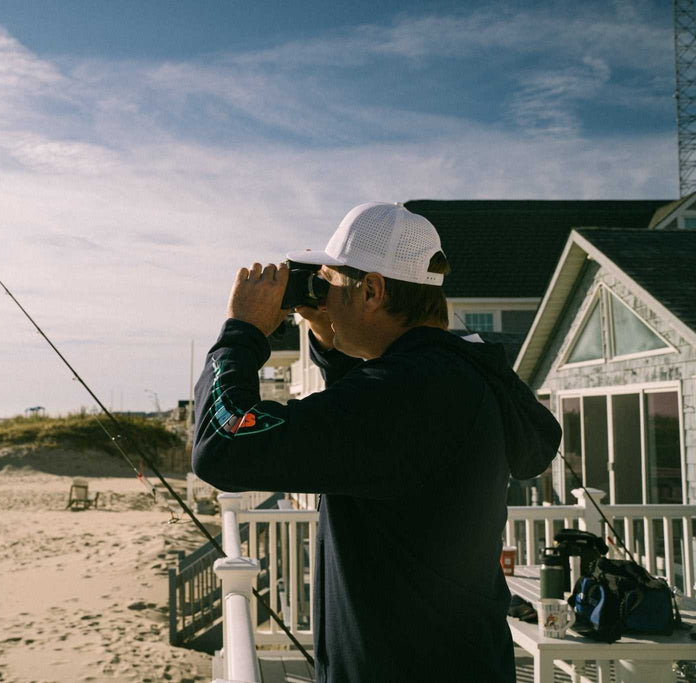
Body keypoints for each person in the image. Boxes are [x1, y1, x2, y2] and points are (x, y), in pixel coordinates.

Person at [192, 201, 562, 682]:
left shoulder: (405, 395)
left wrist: (240, 333)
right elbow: (376, 440)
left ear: (371, 289)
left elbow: (223, 443)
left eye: (330, 285)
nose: (322, 299)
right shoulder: (454, 374)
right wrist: (334, 344)